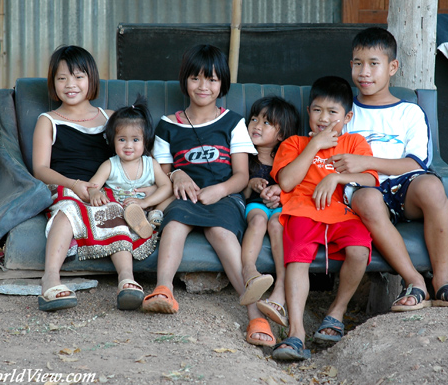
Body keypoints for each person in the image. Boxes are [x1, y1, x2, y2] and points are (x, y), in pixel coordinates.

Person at [142, 44, 276, 347]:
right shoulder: (168, 125)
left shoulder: (233, 122)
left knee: (221, 232)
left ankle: (255, 315)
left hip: (225, 195)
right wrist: (177, 173)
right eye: (196, 78)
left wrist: (221, 189)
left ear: (222, 83)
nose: (204, 86)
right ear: (185, 80)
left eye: (212, 79)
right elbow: (162, 173)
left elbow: (242, 175)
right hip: (184, 196)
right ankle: (163, 290)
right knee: (174, 226)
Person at [334, 27, 448, 310]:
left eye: (374, 64)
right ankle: (415, 282)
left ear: (392, 67)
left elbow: (415, 163)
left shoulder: (409, 112)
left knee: (433, 186)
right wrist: (361, 170)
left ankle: (443, 283)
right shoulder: (345, 112)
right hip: (364, 190)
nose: (365, 72)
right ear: (351, 65)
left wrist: (368, 161)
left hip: (404, 188)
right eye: (358, 63)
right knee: (369, 199)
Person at [32, 45, 154, 312]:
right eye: (62, 78)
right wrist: (74, 185)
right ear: (53, 82)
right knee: (68, 210)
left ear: (92, 80)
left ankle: (127, 280)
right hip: (65, 186)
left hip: (104, 190)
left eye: (78, 77)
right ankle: (50, 279)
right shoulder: (49, 120)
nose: (70, 84)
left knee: (116, 216)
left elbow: (136, 154)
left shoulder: (108, 118)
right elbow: (40, 168)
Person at [270, 76, 379, 361]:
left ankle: (336, 313)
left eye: (333, 112)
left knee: (359, 250)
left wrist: (337, 177)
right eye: (317, 110)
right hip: (303, 210)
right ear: (308, 111)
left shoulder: (354, 142)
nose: (324, 118)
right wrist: (314, 145)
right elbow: (286, 183)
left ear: (347, 117)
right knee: (297, 259)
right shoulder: (294, 143)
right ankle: (296, 333)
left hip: (343, 213)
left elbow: (370, 178)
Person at [239, 95, 300, 330]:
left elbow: (296, 186)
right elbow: (240, 190)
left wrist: (281, 196)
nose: (256, 125)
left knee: (277, 225)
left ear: (281, 134)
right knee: (257, 220)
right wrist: (251, 184)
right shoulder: (244, 155)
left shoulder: (286, 159)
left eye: (266, 123)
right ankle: (250, 271)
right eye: (254, 119)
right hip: (253, 204)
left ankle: (280, 286)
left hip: (280, 208)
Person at [88, 98, 172, 242]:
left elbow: (166, 186)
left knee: (173, 192)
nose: (128, 145)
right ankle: (138, 222)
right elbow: (92, 186)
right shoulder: (109, 165)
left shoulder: (151, 164)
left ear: (145, 141)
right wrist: (95, 192)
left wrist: (147, 203)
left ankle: (155, 215)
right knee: (109, 208)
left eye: (135, 140)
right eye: (121, 140)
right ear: (113, 140)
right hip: (121, 209)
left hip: (149, 206)